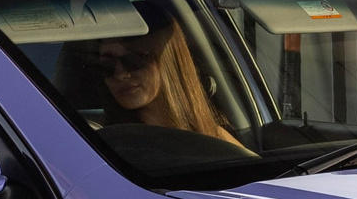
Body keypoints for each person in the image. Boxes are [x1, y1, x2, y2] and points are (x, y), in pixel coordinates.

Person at [66, 10, 242, 146]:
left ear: (166, 61)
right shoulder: (103, 145)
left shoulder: (214, 137)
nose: (121, 75)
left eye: (133, 60)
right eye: (106, 66)